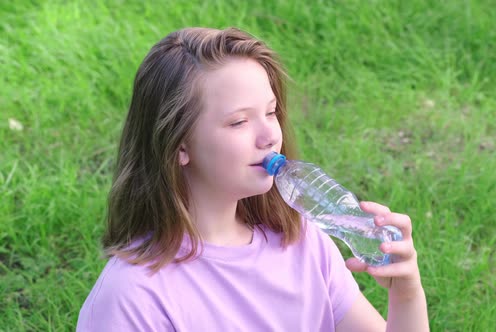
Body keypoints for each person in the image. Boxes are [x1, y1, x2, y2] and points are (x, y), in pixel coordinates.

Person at [77, 27, 429, 331]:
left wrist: (406, 292)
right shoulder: (134, 296)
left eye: (271, 112)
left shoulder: (302, 242)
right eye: (239, 122)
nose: (268, 137)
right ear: (179, 145)